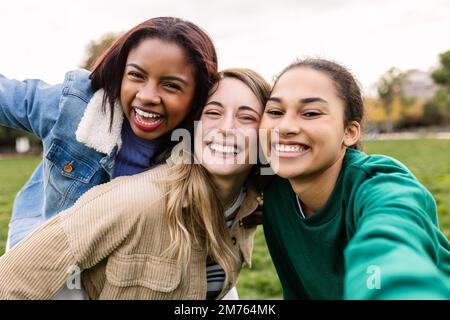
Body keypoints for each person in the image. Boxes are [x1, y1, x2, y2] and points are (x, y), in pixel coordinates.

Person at [0, 68, 271, 300]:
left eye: (247, 117)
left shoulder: (252, 201)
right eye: (213, 112)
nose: (226, 128)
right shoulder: (136, 201)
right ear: (194, 126)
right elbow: (11, 280)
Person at [0, 17, 219, 250]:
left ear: (198, 95)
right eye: (136, 75)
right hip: (46, 248)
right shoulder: (75, 107)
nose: (147, 96)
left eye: (171, 85)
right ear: (120, 72)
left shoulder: (205, 145)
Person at [260, 58, 450, 299]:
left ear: (349, 133)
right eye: (275, 112)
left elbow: (389, 246)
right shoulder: (270, 183)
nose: (285, 126)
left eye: (310, 113)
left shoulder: (379, 184)